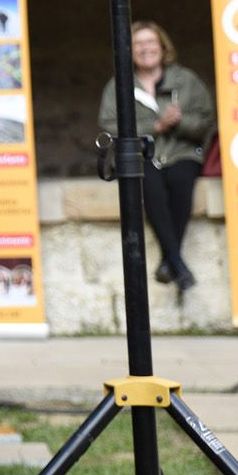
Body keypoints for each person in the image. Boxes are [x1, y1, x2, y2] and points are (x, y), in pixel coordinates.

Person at [97, 20, 216, 290]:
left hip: (181, 153)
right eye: (138, 44)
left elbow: (207, 120)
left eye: (151, 43)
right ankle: (177, 263)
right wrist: (156, 126)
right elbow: (107, 124)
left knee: (180, 181)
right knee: (149, 185)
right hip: (143, 155)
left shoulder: (186, 80)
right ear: (129, 50)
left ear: (163, 47)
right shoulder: (119, 85)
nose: (145, 49)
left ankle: (169, 261)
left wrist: (180, 122)